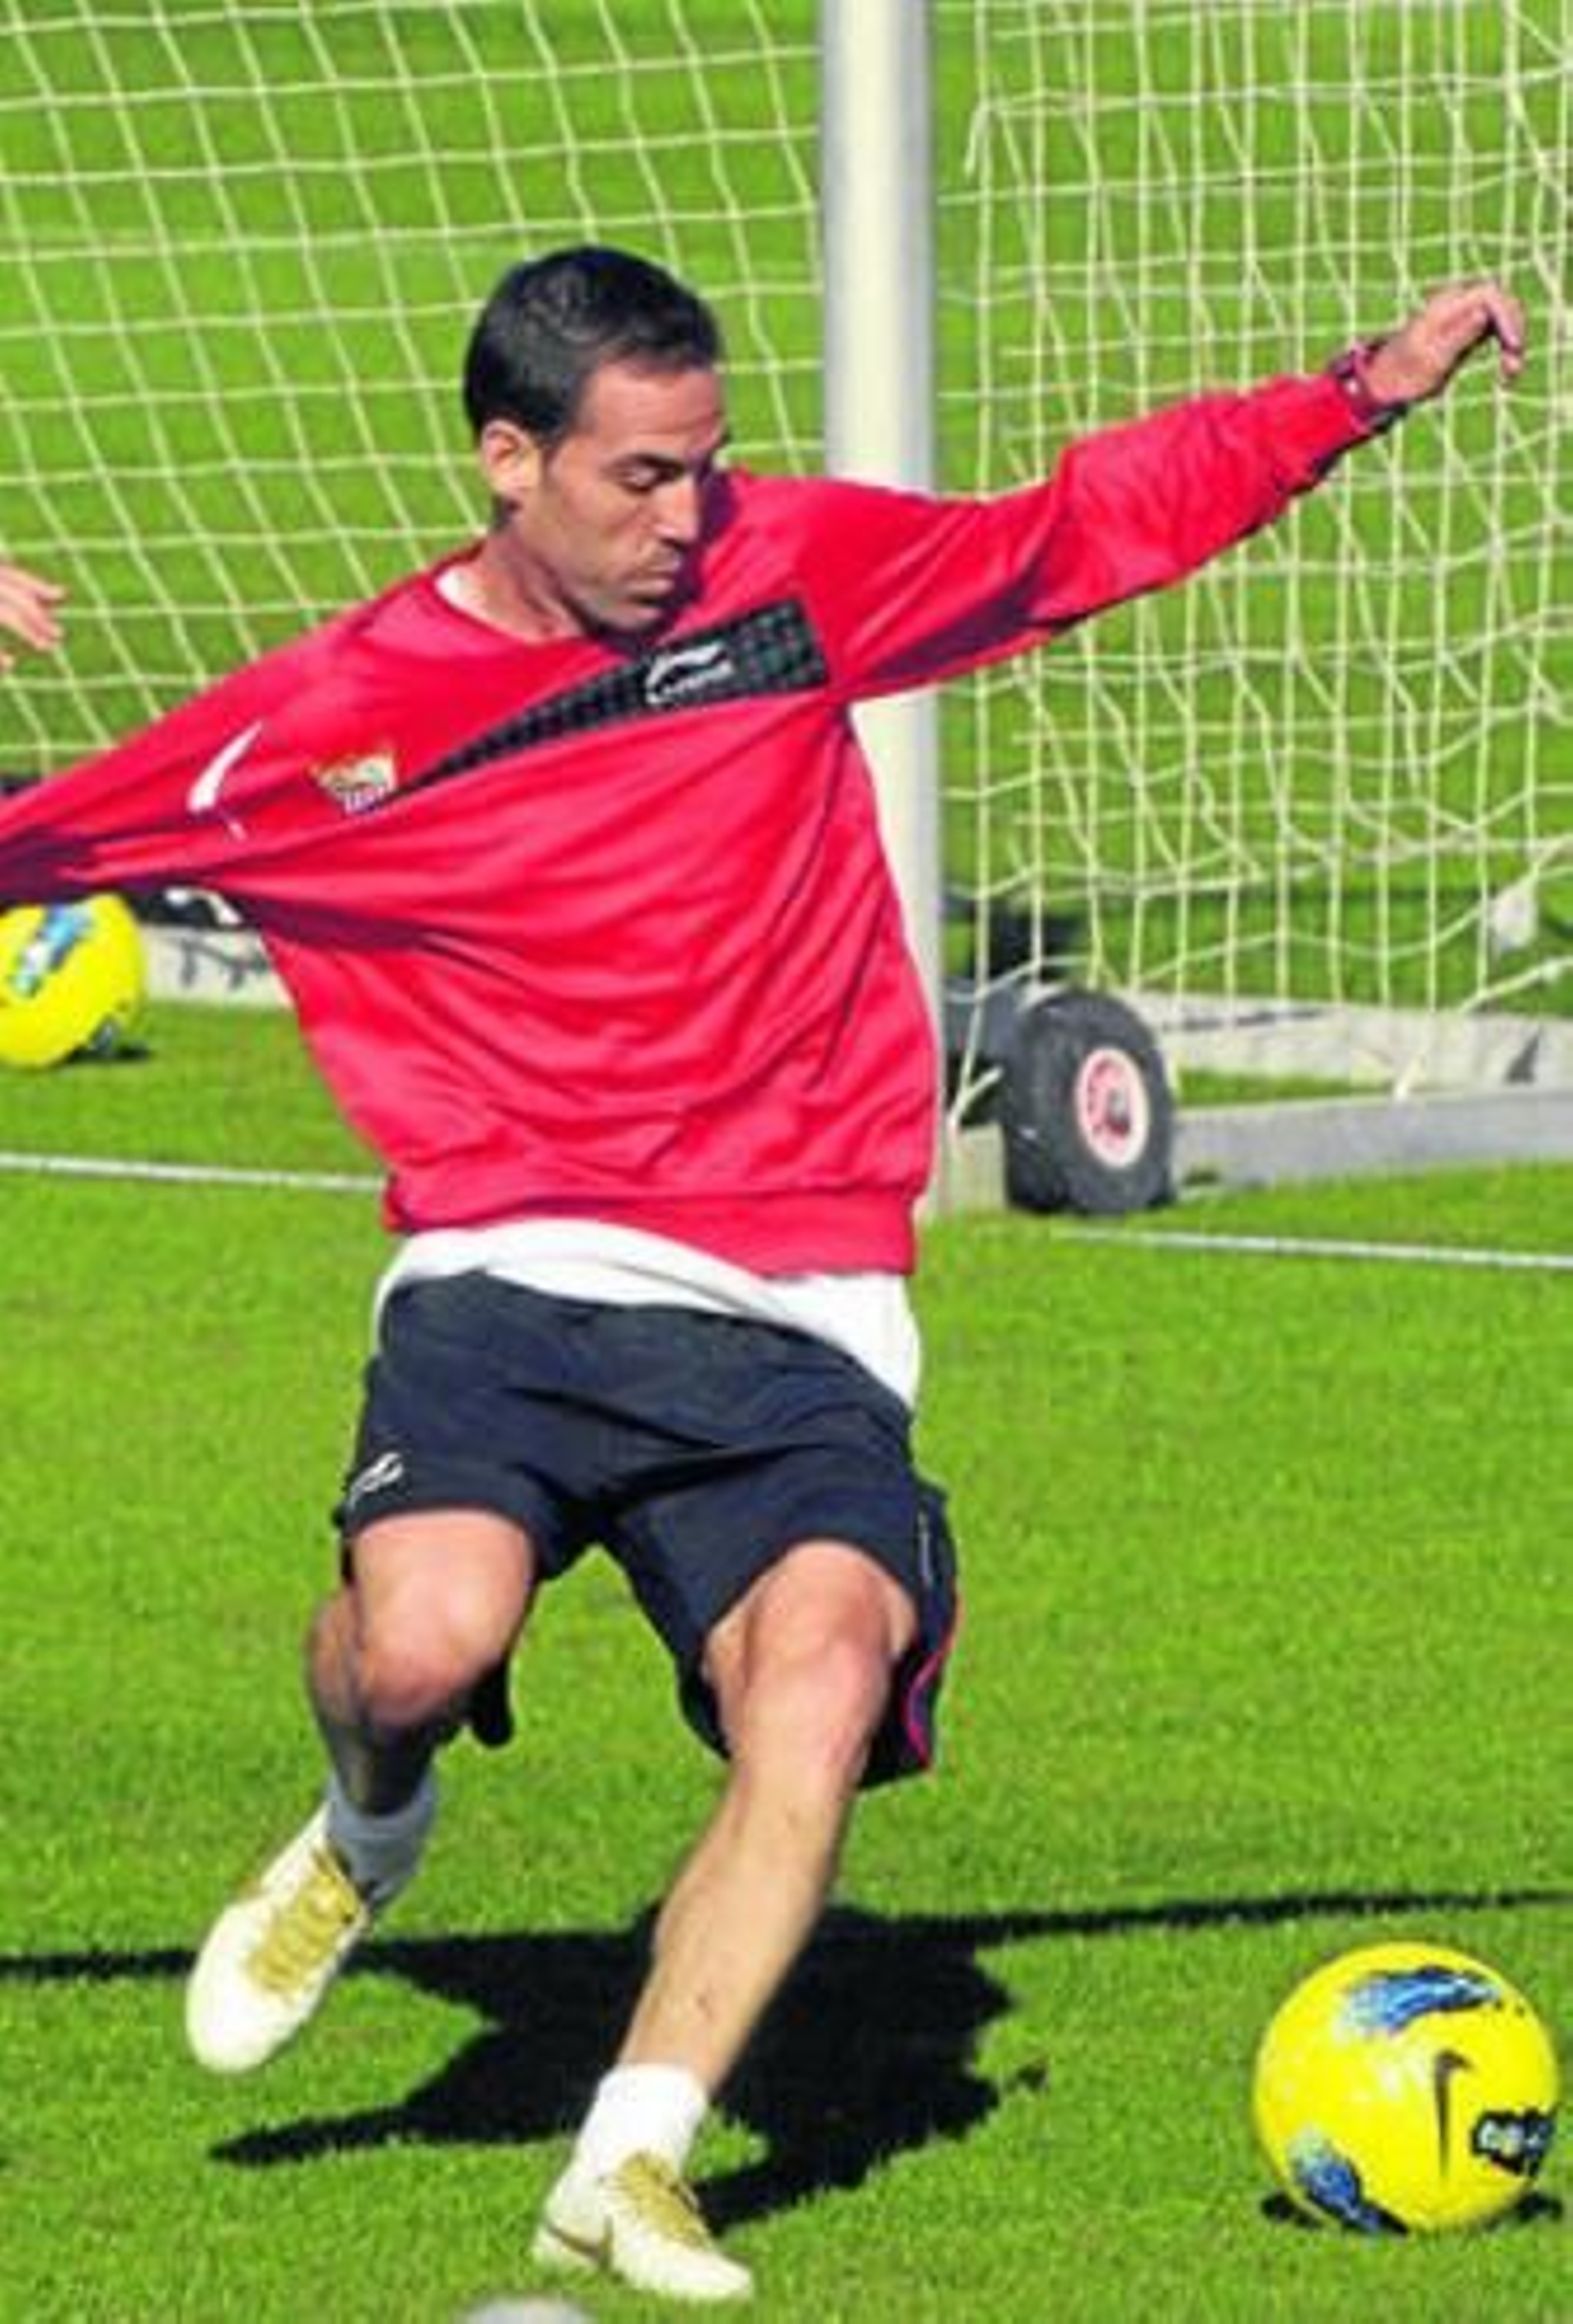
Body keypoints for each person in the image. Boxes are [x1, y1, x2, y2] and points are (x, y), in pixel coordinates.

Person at [0, 250, 1524, 2303]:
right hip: (512, 1265)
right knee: (419, 1647)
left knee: (808, 1690)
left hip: (797, 1297)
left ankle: (628, 2161)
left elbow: (1069, 537)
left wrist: (1353, 393)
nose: (681, 519)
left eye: (704, 469)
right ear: (507, 461)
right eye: (636, 479)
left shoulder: (782, 578)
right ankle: (368, 1822)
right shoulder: (334, 722)